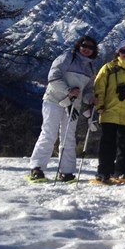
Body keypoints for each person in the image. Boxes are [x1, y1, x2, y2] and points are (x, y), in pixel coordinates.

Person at [28, 35, 98, 183]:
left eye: (90, 47)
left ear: (94, 51)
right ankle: (36, 168)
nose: (86, 49)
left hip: (74, 106)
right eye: (84, 45)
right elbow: (53, 77)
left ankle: (67, 172)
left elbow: (88, 91)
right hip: (54, 100)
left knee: (69, 137)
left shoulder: (91, 67)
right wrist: (68, 90)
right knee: (49, 133)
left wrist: (90, 99)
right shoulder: (68, 57)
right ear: (79, 46)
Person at [93, 39, 125, 183]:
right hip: (109, 112)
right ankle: (104, 171)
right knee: (108, 144)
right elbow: (99, 88)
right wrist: (99, 106)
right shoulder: (108, 68)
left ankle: (121, 171)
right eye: (123, 51)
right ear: (118, 52)